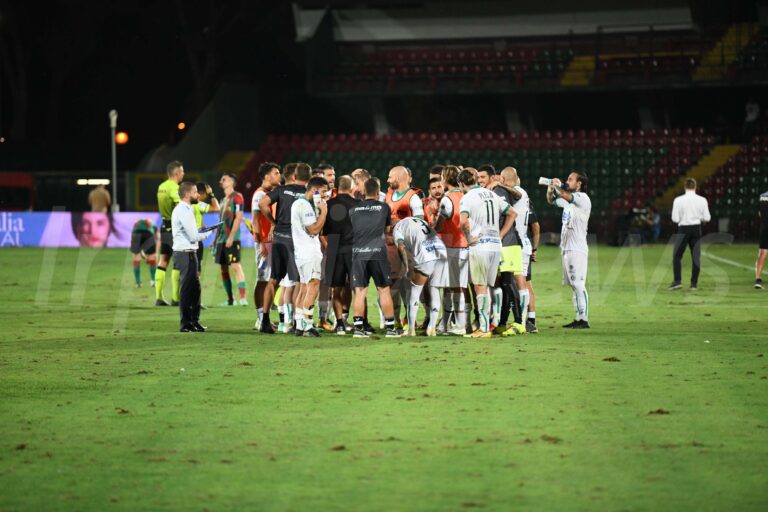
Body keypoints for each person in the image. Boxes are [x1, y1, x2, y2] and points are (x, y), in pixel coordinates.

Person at [458, 169, 515, 338]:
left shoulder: (467, 197)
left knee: (479, 287)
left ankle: (483, 329)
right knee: (490, 286)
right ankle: (489, 324)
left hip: (480, 246)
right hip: (495, 245)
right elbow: (512, 213)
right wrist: (501, 234)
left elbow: (463, 222)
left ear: (461, 184)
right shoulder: (491, 194)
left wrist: (468, 238)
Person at [258, 163, 310, 333]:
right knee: (297, 282)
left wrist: (274, 222)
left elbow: (262, 203)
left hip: (279, 239)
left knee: (273, 280)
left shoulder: (280, 191)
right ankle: (297, 323)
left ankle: (264, 320)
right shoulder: (307, 192)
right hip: (296, 241)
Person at [349, 178, 401, 338]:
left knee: (360, 291)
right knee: (383, 290)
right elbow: (386, 229)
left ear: (364, 192)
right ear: (378, 192)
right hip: (377, 252)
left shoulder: (353, 209)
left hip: (358, 253)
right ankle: (391, 329)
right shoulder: (384, 207)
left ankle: (358, 328)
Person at [547, 171, 592, 328]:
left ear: (579, 184)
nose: (567, 181)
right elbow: (551, 200)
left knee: (578, 284)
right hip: (566, 248)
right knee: (573, 285)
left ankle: (584, 319)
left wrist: (559, 186)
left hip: (577, 249)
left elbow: (567, 196)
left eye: (570, 179)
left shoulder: (582, 198)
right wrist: (551, 187)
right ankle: (578, 317)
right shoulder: (568, 201)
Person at [171, 182, 215, 332]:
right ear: (188, 194)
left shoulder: (186, 209)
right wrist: (210, 231)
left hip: (189, 253)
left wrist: (200, 230)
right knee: (187, 289)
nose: (198, 195)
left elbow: (191, 231)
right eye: (196, 192)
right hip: (185, 254)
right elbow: (194, 236)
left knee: (195, 289)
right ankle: (185, 323)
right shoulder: (183, 210)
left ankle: (194, 321)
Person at [385, 166, 425, 327]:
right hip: (390, 246)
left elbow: (420, 222)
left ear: (400, 178)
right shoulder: (388, 195)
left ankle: (410, 319)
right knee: (392, 283)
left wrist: (400, 224)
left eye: (390, 177)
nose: (388, 180)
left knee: (407, 283)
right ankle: (395, 320)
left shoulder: (412, 197)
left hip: (407, 247)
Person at [394, 216, 447, 336]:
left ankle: (411, 329)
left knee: (414, 290)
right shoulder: (419, 221)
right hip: (442, 252)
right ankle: (432, 328)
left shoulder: (397, 228)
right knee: (435, 289)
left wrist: (405, 266)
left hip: (426, 255)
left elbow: (401, 246)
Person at [432, 165, 469, 336]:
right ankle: (448, 325)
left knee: (452, 288)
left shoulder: (448, 199)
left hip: (451, 246)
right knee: (457, 287)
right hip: (465, 245)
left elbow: (439, 225)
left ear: (445, 179)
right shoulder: (466, 196)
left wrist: (433, 221)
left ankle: (456, 325)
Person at [291, 176, 329, 336]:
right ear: (314, 190)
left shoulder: (298, 203)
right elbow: (313, 230)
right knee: (313, 286)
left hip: (301, 252)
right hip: (309, 252)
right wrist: (324, 212)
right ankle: (308, 325)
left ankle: (299, 324)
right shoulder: (305, 206)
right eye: (323, 191)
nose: (325, 195)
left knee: (304, 287)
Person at [322, 175, 360, 334]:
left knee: (335, 289)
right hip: (353, 248)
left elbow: (322, 231)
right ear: (352, 188)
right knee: (358, 289)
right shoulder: (359, 205)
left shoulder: (328, 204)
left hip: (334, 248)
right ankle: (359, 323)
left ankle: (339, 325)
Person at [251, 163, 282, 328]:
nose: (279, 176)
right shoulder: (259, 195)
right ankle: (260, 318)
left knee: (274, 280)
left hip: (274, 242)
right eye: (276, 173)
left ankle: (265, 317)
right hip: (264, 243)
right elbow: (255, 220)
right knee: (263, 280)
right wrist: (261, 242)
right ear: (267, 176)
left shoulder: (272, 194)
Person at [668, 178, 711, 291]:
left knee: (677, 256)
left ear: (684, 187)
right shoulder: (702, 200)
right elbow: (707, 218)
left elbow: (675, 219)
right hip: (696, 229)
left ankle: (677, 281)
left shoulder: (678, 200)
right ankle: (694, 284)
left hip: (683, 229)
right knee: (696, 257)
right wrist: (697, 217)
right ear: (695, 187)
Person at [213, 173, 247, 306]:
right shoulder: (223, 200)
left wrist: (231, 237)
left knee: (236, 266)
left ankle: (243, 298)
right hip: (221, 239)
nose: (221, 181)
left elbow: (238, 217)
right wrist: (215, 241)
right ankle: (230, 299)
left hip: (232, 238)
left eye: (224, 179)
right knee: (223, 269)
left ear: (232, 182)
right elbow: (220, 222)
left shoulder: (237, 197)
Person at [155, 161, 184, 306]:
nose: (183, 174)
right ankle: (175, 298)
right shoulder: (175, 188)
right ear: (177, 173)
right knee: (177, 262)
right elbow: (181, 206)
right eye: (182, 172)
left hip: (163, 225)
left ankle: (159, 297)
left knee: (163, 260)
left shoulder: (161, 187)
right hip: (174, 229)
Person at [316, 163, 337, 331]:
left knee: (332, 283)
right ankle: (321, 318)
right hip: (321, 247)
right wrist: (325, 243)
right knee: (322, 282)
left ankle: (329, 318)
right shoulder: (317, 198)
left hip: (334, 244)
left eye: (333, 174)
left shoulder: (336, 195)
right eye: (329, 175)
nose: (333, 178)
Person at [193, 182, 221, 273]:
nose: (206, 197)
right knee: (197, 270)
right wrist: (211, 194)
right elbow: (217, 208)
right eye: (206, 194)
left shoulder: (184, 203)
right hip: (196, 239)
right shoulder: (198, 204)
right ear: (202, 193)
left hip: (184, 239)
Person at [129, 218, 159, 288]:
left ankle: (138, 283)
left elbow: (132, 237)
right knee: (152, 260)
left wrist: (140, 254)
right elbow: (158, 238)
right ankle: (153, 282)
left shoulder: (136, 224)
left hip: (135, 235)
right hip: (148, 235)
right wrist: (156, 253)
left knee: (136, 259)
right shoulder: (153, 225)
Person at [755, 189, 768, 289]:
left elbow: (759, 214)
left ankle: (758, 280)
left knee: (763, 252)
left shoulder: (762, 196)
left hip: (764, 228)